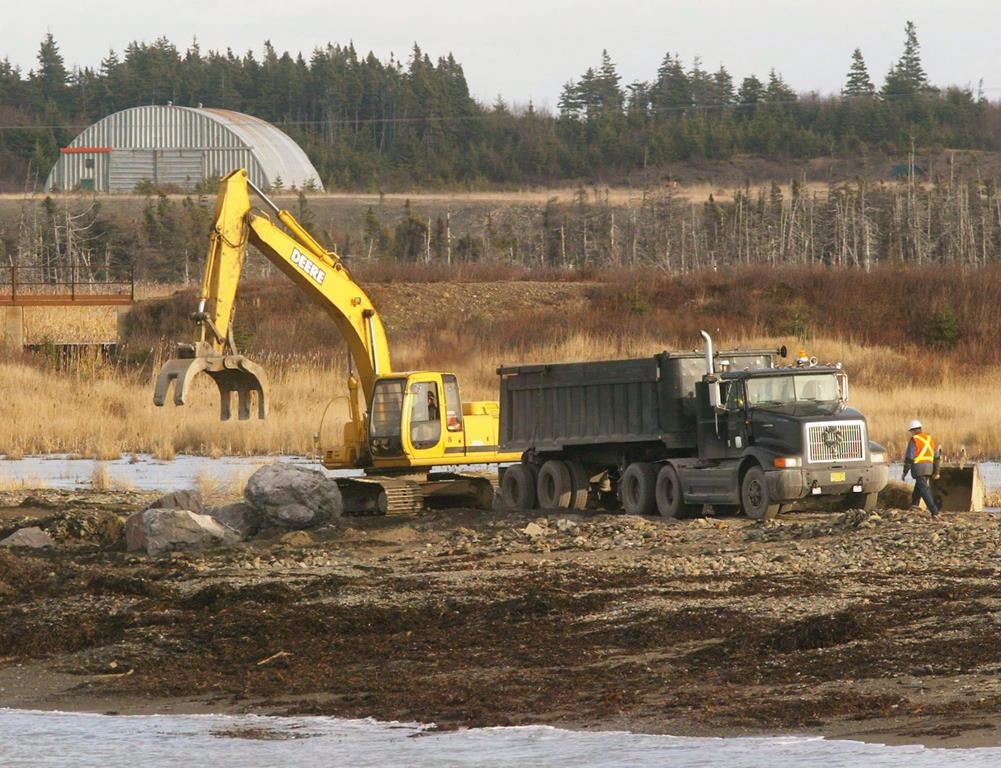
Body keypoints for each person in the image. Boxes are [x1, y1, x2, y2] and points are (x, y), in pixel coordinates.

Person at [902, 419, 939, 517]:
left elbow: (909, 457)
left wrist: (904, 472)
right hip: (929, 468)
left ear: (913, 430)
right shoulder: (930, 439)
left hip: (919, 468)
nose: (911, 433)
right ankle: (914, 505)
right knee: (918, 487)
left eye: (911, 431)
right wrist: (937, 471)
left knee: (924, 489)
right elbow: (936, 457)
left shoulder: (914, 439)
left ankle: (934, 511)